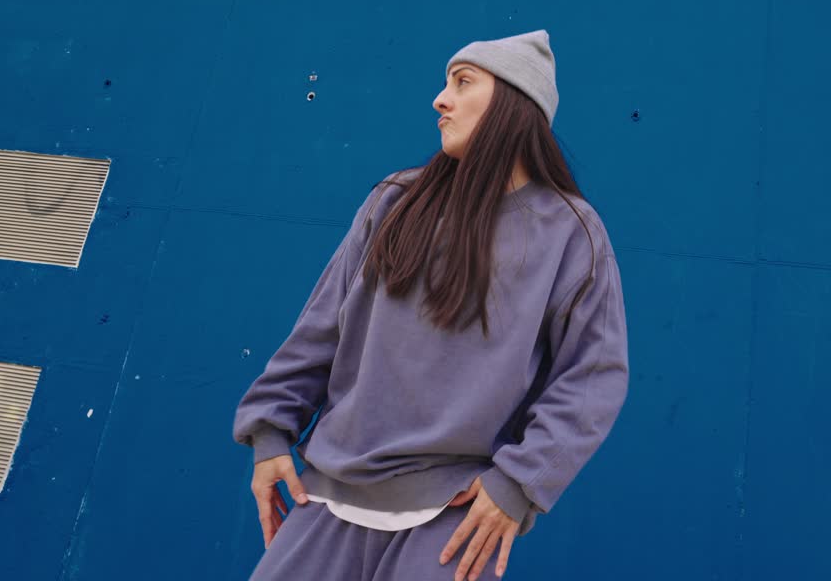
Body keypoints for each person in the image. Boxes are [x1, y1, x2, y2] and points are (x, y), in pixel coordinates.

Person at [232, 29, 631, 581]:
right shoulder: (395, 200)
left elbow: (591, 377)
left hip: (456, 514)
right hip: (326, 495)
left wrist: (518, 483)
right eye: (446, 83)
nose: (440, 100)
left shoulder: (570, 232)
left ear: (515, 104)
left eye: (462, 82)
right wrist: (271, 429)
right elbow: (321, 329)